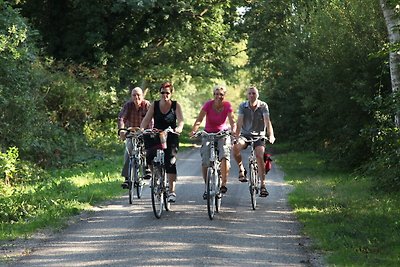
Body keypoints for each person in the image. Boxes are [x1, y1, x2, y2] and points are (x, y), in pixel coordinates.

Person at [140, 82, 184, 203]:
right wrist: (142, 129)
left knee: (170, 161)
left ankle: (171, 191)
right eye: (162, 92)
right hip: (157, 134)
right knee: (149, 156)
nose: (165, 95)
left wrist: (178, 129)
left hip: (171, 135)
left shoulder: (176, 105)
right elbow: (146, 120)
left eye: (167, 93)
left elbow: (180, 121)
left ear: (171, 93)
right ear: (160, 93)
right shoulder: (154, 105)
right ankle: (156, 177)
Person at [190, 85, 236, 198]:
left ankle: (223, 184)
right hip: (208, 133)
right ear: (213, 95)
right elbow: (199, 120)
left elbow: (233, 121)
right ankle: (207, 187)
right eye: (216, 94)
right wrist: (194, 131)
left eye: (221, 94)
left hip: (222, 134)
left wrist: (233, 131)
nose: (218, 96)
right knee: (205, 159)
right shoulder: (208, 104)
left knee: (224, 154)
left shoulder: (227, 105)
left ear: (224, 96)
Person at [233, 86, 275, 197]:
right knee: (236, 147)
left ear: (257, 95)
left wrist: (271, 135)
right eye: (250, 93)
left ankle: (263, 185)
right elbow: (239, 122)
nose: (252, 95)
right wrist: (236, 136)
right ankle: (241, 169)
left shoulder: (263, 106)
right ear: (247, 95)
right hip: (245, 135)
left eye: (254, 93)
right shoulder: (243, 106)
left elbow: (267, 121)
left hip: (259, 136)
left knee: (259, 155)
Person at [118, 86, 152, 189]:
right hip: (131, 132)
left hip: (144, 132)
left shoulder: (147, 105)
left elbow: (151, 119)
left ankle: (146, 168)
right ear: (131, 96)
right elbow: (121, 118)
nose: (136, 97)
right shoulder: (128, 105)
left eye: (138, 95)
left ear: (142, 96)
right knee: (128, 151)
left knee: (148, 148)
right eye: (134, 95)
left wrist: (150, 130)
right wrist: (122, 130)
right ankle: (127, 179)